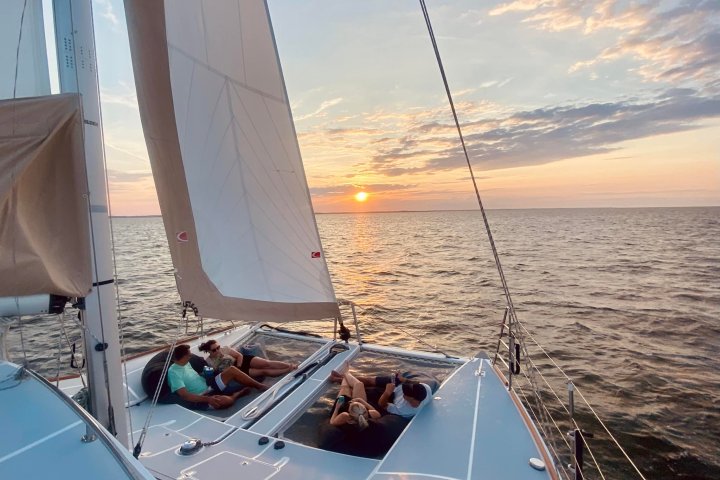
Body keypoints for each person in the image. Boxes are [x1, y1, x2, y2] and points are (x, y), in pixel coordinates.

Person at [167, 344, 267, 409]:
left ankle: (259, 386)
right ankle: (238, 394)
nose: (191, 356)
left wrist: (207, 375)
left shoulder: (186, 363)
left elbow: (194, 377)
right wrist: (208, 399)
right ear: (183, 357)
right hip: (202, 396)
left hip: (209, 385)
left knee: (232, 370)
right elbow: (185, 395)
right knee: (226, 401)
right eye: (189, 355)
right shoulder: (173, 373)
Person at [330, 364, 432, 418]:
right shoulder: (425, 388)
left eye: (406, 394)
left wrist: (387, 392)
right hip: (394, 387)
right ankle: (343, 377)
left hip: (390, 396)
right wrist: (402, 379)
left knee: (361, 388)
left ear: (412, 399)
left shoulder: (403, 409)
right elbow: (415, 382)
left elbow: (382, 405)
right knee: (370, 380)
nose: (404, 393)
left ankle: (340, 379)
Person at [199, 340, 296, 378]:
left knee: (267, 363)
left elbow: (239, 356)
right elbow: (217, 374)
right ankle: (288, 369)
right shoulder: (209, 361)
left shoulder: (225, 349)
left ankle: (290, 365)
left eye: (218, 347)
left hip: (241, 362)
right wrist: (219, 361)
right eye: (214, 350)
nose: (218, 350)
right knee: (263, 371)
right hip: (235, 371)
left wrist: (238, 366)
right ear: (209, 351)